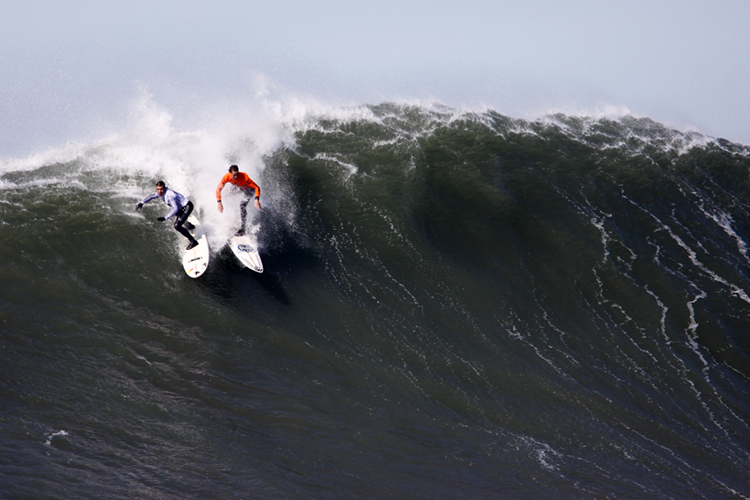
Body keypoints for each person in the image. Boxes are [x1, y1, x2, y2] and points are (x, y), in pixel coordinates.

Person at [136, 180, 199, 250]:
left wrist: (165, 218)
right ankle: (189, 225)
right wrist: (142, 203)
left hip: (187, 206)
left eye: (161, 189)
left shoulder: (169, 195)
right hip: (182, 208)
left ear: (165, 188)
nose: (159, 191)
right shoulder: (160, 193)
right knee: (176, 216)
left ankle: (193, 241)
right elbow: (152, 196)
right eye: (158, 189)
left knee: (177, 226)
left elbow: (176, 209)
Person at [215, 164, 261, 236]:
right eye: (234, 175)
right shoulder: (227, 177)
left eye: (237, 174)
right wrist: (219, 203)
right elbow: (218, 189)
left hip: (249, 191)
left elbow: (257, 188)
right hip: (239, 187)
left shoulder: (245, 177)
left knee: (242, 206)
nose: (236, 177)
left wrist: (257, 199)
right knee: (225, 195)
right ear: (230, 173)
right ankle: (230, 215)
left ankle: (243, 229)